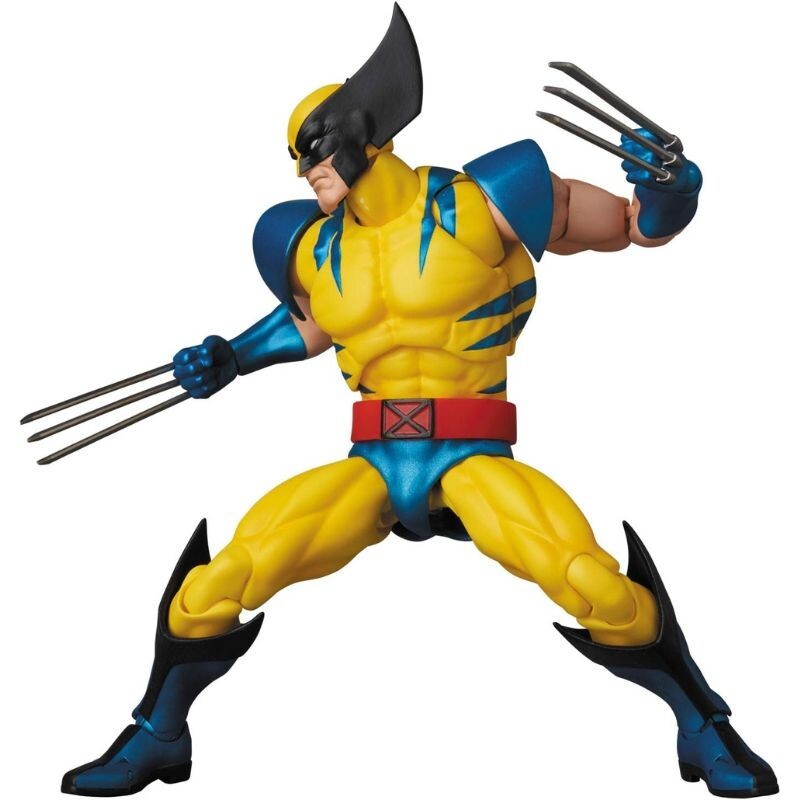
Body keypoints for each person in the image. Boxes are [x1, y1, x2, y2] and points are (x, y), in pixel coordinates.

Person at [60, 5, 777, 797]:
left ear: (368, 130)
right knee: (212, 588)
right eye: (296, 156)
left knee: (596, 585)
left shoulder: (484, 200)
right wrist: (230, 357)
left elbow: (631, 227)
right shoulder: (309, 243)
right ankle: (158, 735)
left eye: (315, 145)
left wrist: (670, 191)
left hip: (472, 452)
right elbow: (307, 324)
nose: (305, 170)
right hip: (373, 459)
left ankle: (703, 727)